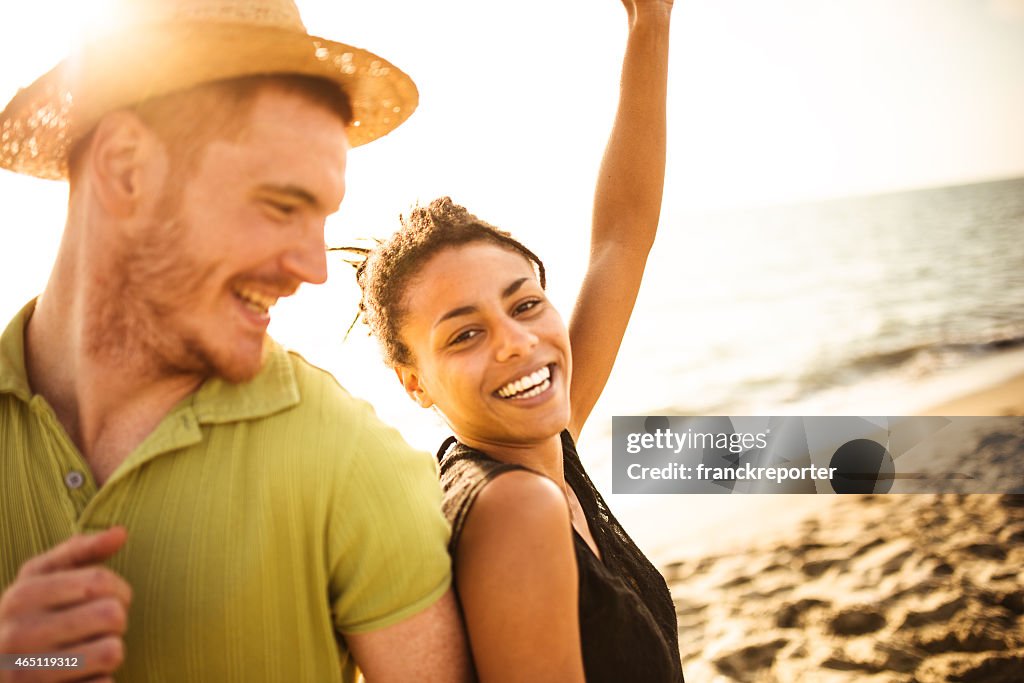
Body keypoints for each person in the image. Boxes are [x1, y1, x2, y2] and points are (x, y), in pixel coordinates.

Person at [0, 1, 471, 681]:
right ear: (128, 169)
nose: (314, 267)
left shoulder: (350, 461)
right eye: (282, 206)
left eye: (322, 216)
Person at [352, 0, 682, 680]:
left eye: (526, 303)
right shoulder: (516, 504)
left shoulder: (535, 449)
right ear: (411, 380)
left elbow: (622, 236)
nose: (516, 342)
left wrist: (649, 23)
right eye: (465, 332)